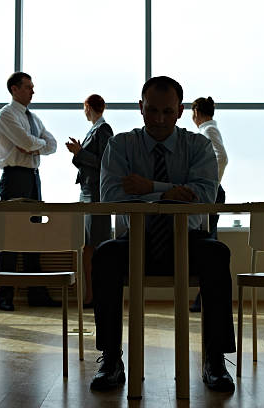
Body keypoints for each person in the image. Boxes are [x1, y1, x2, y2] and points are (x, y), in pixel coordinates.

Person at [90, 76, 236, 393]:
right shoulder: (121, 145)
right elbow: (111, 197)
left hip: (189, 241)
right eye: (152, 110)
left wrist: (148, 188)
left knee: (217, 253)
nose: (159, 119)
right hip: (134, 241)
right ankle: (111, 358)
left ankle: (215, 359)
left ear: (180, 111)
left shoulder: (198, 146)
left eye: (167, 112)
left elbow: (205, 196)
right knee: (104, 255)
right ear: (140, 108)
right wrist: (174, 192)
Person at [0, 72, 59, 311]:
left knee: (34, 236)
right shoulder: (6, 115)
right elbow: (28, 143)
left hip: (33, 178)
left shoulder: (33, 117)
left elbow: (51, 145)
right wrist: (35, 145)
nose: (33, 91)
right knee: (10, 237)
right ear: (14, 89)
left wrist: (35, 146)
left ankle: (37, 294)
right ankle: (5, 296)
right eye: (28, 86)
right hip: (15, 177)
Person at [65, 94, 113, 307]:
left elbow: (104, 162)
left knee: (94, 247)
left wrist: (79, 152)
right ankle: (92, 294)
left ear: (87, 107)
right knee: (88, 246)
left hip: (95, 194)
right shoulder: (96, 129)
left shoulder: (103, 129)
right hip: (88, 192)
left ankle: (94, 294)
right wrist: (79, 153)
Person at [189, 96, 228, 313]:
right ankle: (205, 297)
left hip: (211, 193)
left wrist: (210, 184)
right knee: (209, 241)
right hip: (212, 192)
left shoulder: (208, 131)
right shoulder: (209, 129)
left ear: (196, 112)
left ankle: (206, 297)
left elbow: (222, 157)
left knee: (208, 242)